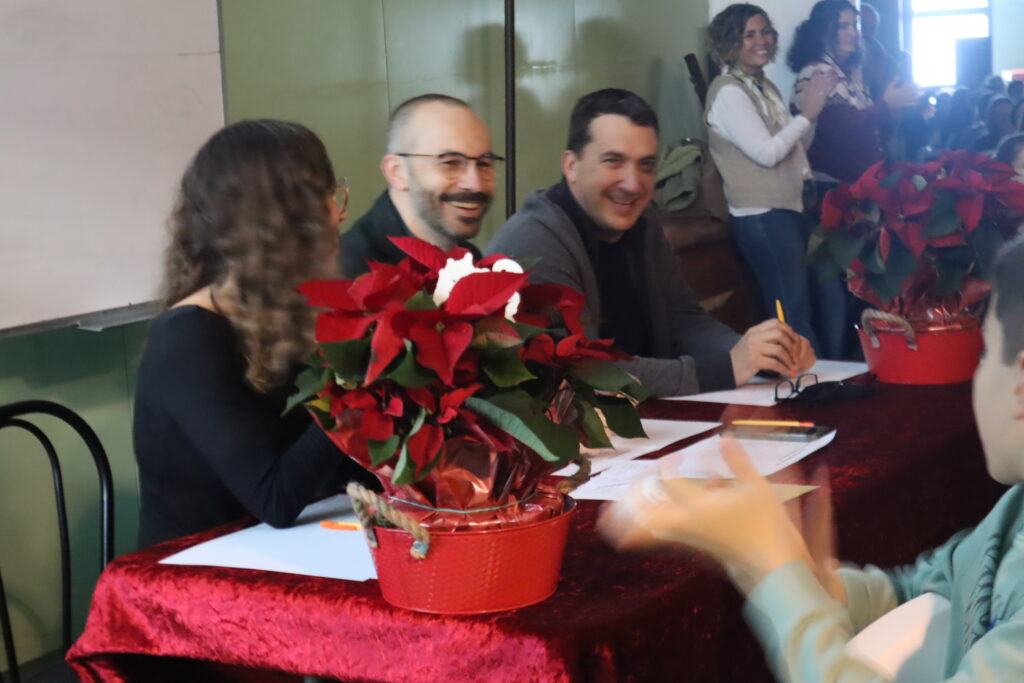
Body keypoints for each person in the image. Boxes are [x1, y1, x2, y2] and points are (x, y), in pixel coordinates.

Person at [601, 234, 1024, 681]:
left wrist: (775, 568)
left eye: (983, 355)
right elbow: (921, 591)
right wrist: (808, 579)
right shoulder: (1013, 512)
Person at [134, 119, 377, 548]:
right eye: (325, 195)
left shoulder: (282, 314)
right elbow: (276, 498)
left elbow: (336, 469)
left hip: (277, 550)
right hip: (192, 571)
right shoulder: (186, 339)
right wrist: (360, 380)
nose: (338, 214)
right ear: (282, 220)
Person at [485, 88, 815, 398]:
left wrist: (761, 354)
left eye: (645, 165)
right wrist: (727, 367)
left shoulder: (642, 223)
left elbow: (683, 321)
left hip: (654, 421)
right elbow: (580, 370)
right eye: (613, 161)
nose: (633, 184)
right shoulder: (534, 241)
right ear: (571, 166)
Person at [705, 3, 837, 357]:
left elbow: (797, 147)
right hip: (761, 215)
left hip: (788, 208)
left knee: (810, 304)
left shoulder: (765, 87)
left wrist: (812, 114)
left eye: (765, 32)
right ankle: (806, 382)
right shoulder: (728, 91)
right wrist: (806, 114)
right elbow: (767, 153)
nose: (761, 40)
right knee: (792, 310)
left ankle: (820, 377)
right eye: (749, 35)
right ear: (730, 42)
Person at [788, 0, 918, 358]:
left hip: (859, 191)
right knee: (837, 287)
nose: (851, 33)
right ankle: (837, 362)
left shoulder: (848, 75)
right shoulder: (817, 73)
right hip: (833, 192)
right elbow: (840, 134)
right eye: (842, 26)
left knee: (858, 284)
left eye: (854, 26)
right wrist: (886, 104)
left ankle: (858, 358)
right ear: (824, 31)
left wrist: (893, 107)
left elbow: (870, 132)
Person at [338, 94, 499, 278]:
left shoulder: (467, 259)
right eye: (451, 163)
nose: (475, 184)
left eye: (484, 164)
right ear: (397, 172)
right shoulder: (348, 274)